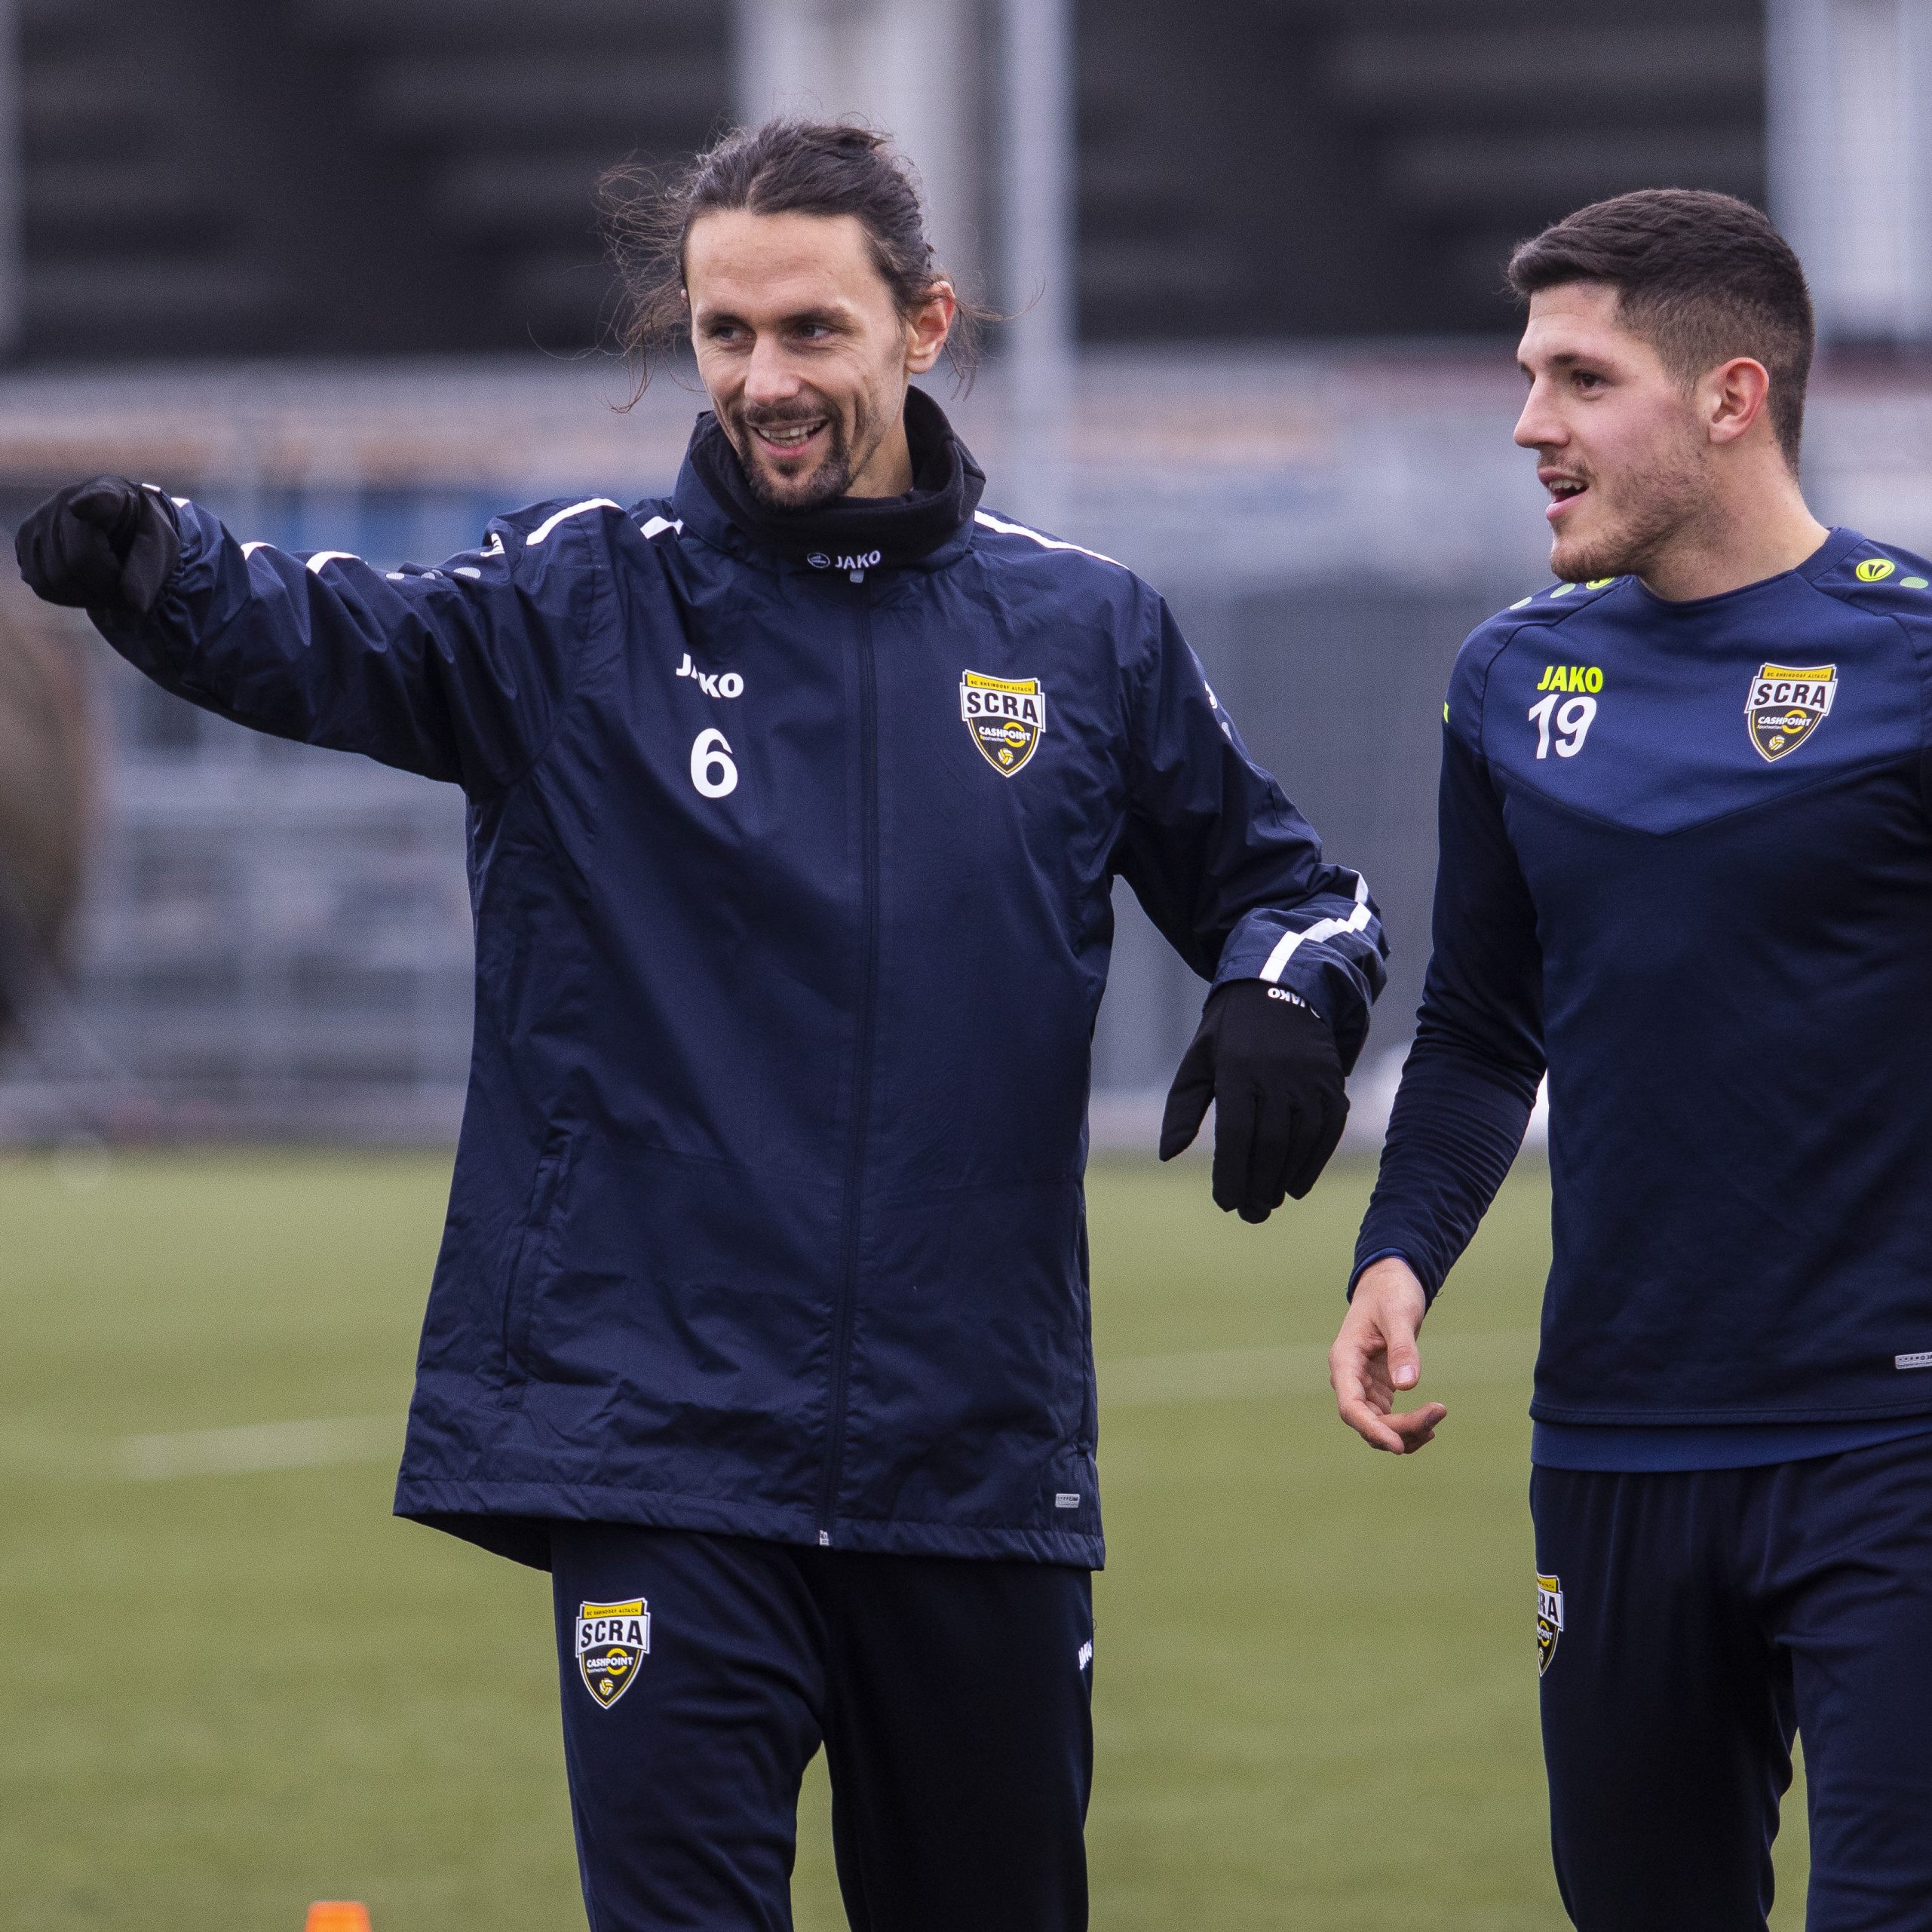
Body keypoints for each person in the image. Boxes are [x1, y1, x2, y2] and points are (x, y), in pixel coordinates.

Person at [18, 121, 1386, 1932]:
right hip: (658, 1450)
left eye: (811, 331)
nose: (764, 380)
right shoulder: (579, 600)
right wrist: (160, 567)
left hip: (969, 1467)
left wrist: (1287, 999)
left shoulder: (1084, 633)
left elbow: (1300, 891)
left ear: (924, 325)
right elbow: (337, 638)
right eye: (724, 333)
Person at [1329, 187, 1932, 1930]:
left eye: (1581, 380)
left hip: (1892, 1437)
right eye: (1531, 377)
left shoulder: (1913, 657)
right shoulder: (1512, 681)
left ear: (1731, 397)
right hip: (1614, 1440)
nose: (1532, 424)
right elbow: (1478, 1024)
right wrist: (1399, 1250)